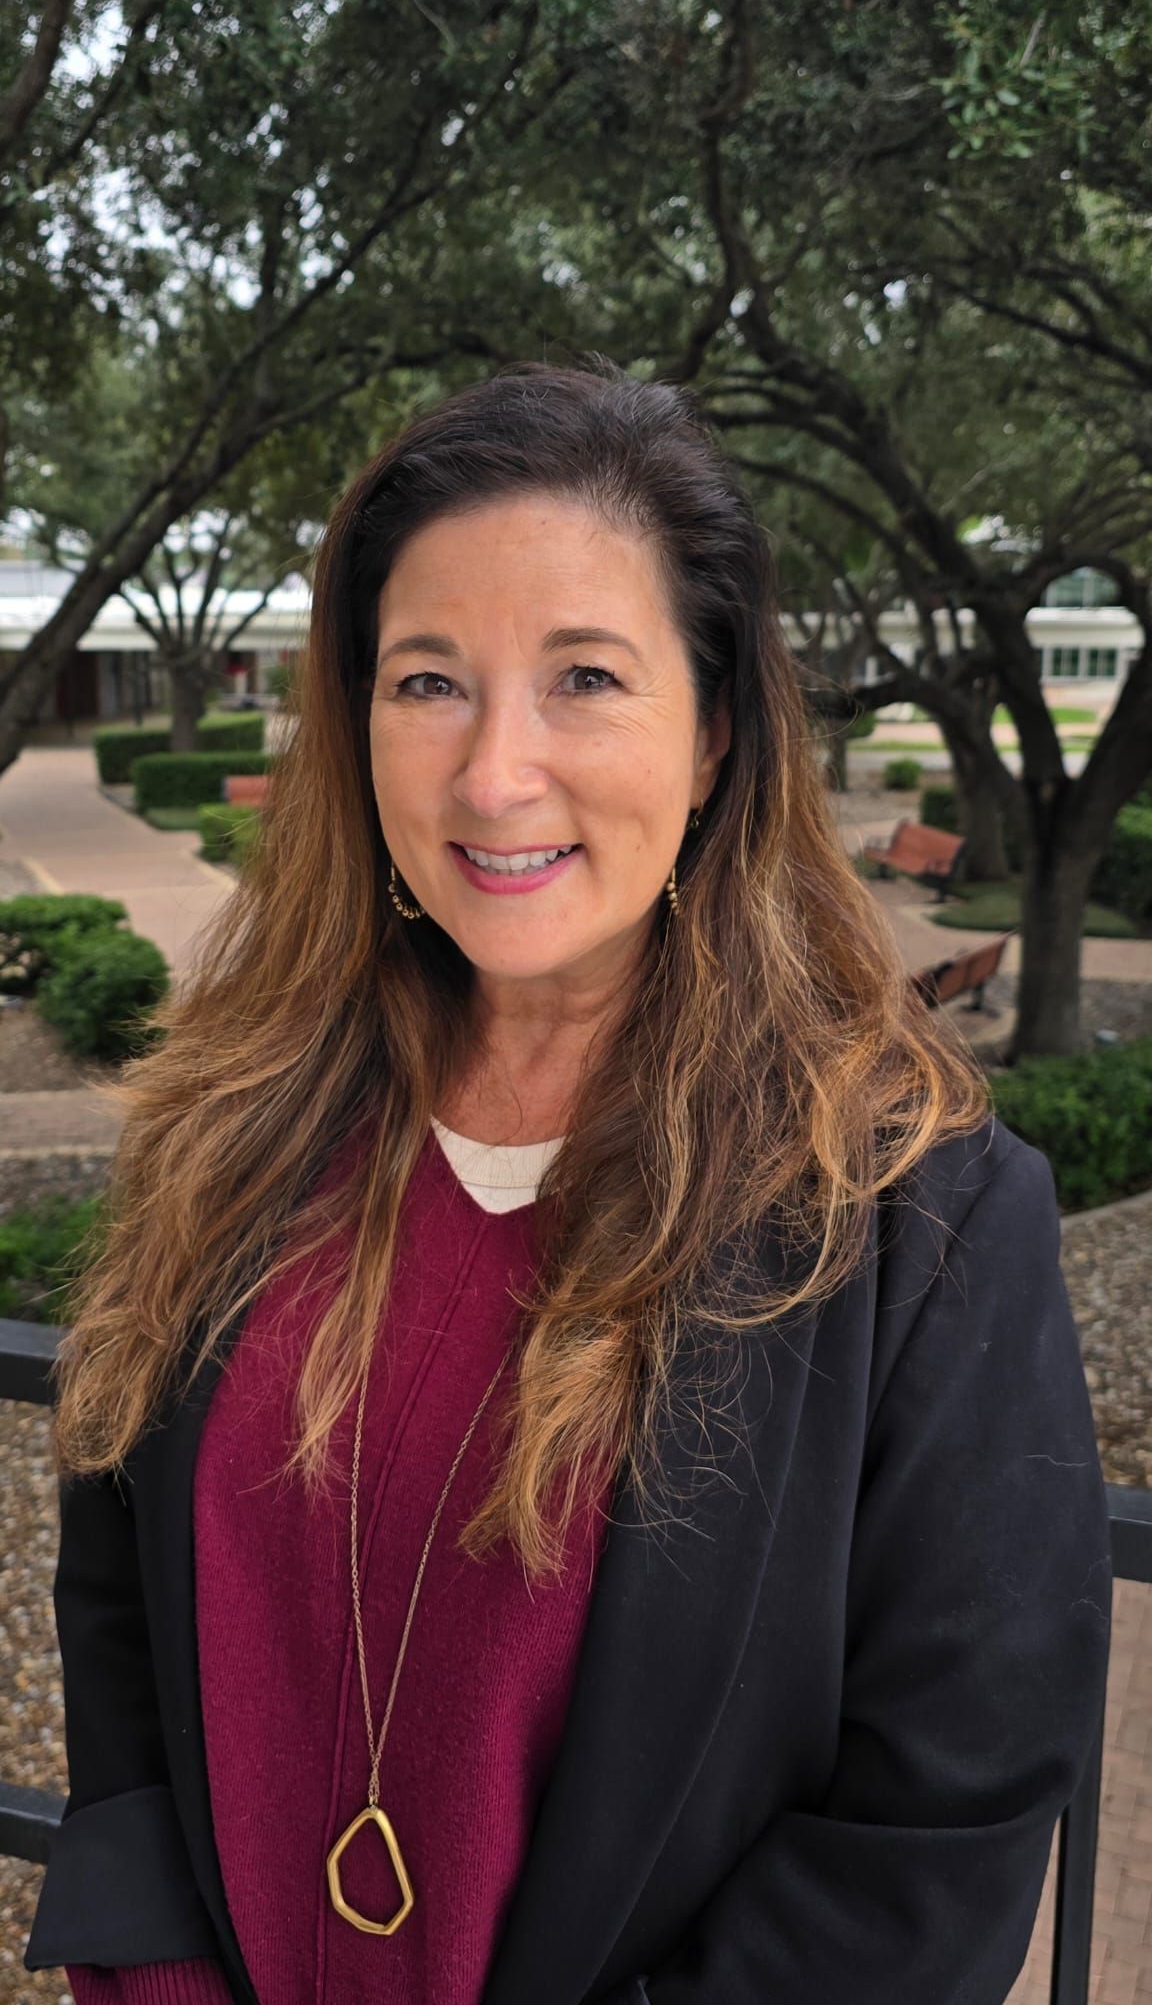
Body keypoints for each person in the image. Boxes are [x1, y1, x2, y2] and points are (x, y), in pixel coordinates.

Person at [25, 360, 1110, 2005]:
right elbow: (116, 1582)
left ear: (716, 729)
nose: (492, 774)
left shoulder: (911, 1218)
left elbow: (939, 1819)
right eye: (427, 682)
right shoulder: (236, 1124)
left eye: (586, 677)